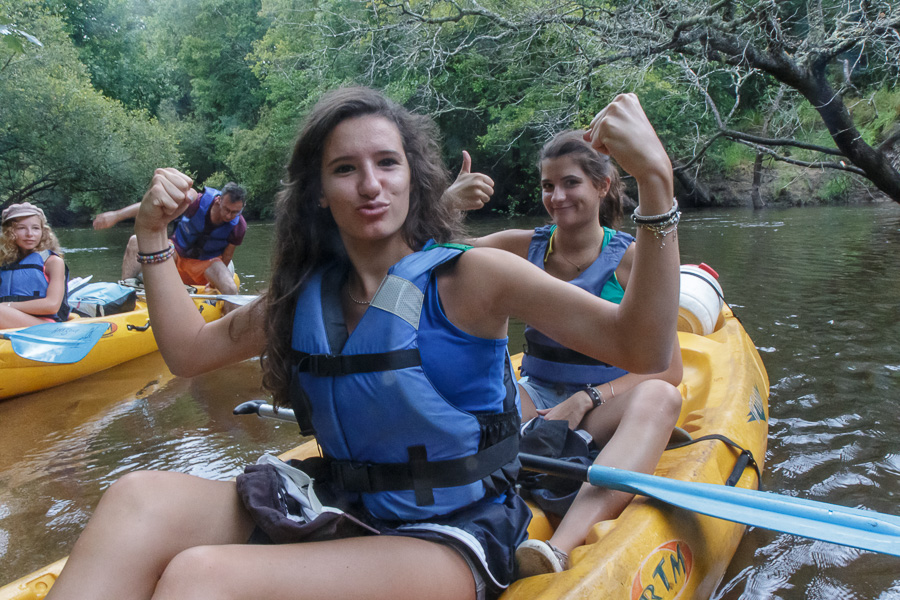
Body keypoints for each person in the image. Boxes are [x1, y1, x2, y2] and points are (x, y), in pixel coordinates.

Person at [45, 87, 680, 600]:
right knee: (135, 500)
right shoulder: (306, 295)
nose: (371, 184)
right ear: (320, 194)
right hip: (350, 501)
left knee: (201, 576)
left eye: (387, 163)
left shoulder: (473, 276)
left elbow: (645, 349)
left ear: (413, 178)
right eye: (345, 169)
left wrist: (656, 182)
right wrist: (153, 235)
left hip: (454, 531)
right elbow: (188, 352)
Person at [447, 132, 683, 577]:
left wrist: (586, 399)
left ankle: (557, 548)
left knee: (662, 397)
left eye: (570, 183)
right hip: (534, 395)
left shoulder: (633, 259)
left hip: (603, 404)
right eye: (547, 185)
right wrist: (447, 206)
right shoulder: (523, 246)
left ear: (602, 186)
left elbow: (669, 369)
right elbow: (431, 257)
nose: (556, 197)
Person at [93, 182, 248, 295]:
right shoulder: (195, 202)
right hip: (176, 253)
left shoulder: (238, 226)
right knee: (135, 241)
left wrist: (214, 283)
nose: (229, 215)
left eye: (235, 212)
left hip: (207, 263)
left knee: (230, 289)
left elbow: (227, 256)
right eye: (226, 209)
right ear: (218, 200)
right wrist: (116, 215)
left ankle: (231, 326)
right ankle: (126, 293)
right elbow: (151, 206)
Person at [0, 202, 69, 328]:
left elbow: (52, 306)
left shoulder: (53, 262)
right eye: (21, 228)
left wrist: (8, 306)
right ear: (8, 232)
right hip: (8, 319)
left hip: (44, 325)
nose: (30, 234)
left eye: (36, 228)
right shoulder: (2, 263)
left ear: (43, 231)